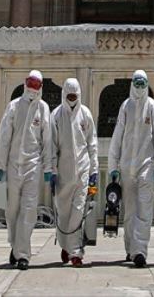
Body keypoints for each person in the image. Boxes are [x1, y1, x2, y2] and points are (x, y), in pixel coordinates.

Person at [0, 69, 53, 270]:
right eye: (30, 83)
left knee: (28, 210)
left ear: (41, 87)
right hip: (13, 165)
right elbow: (3, 138)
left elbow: (47, 140)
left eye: (36, 84)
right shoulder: (13, 107)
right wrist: (0, 165)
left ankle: (23, 255)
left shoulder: (43, 109)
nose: (32, 88)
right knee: (12, 210)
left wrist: (48, 167)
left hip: (33, 166)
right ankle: (14, 244)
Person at [109, 69, 154, 268]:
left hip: (146, 165)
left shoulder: (152, 106)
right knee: (130, 211)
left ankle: (140, 250)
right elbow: (117, 137)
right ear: (132, 84)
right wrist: (113, 166)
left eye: (143, 83)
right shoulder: (126, 106)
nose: (140, 87)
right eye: (137, 83)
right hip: (126, 166)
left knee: (144, 210)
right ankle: (130, 248)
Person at [49, 78, 98, 267]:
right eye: (69, 96)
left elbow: (92, 144)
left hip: (83, 170)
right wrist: (52, 170)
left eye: (74, 96)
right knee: (63, 211)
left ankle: (76, 251)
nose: (72, 99)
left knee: (78, 210)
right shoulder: (56, 115)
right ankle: (66, 245)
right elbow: (52, 146)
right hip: (63, 171)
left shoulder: (85, 114)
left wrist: (93, 170)